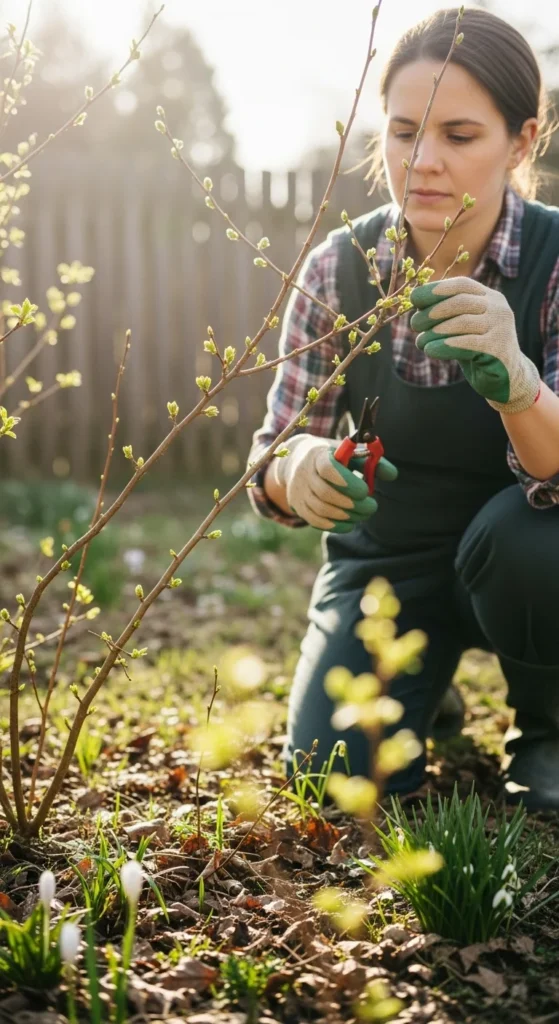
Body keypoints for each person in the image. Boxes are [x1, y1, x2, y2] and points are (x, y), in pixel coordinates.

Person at [246, 7, 559, 811]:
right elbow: (272, 455)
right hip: (387, 568)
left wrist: (518, 382)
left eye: (459, 135)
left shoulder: (553, 263)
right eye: (402, 131)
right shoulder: (338, 269)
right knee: (334, 778)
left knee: (530, 543)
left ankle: (549, 727)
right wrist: (299, 468)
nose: (421, 162)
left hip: (528, 562)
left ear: (522, 140)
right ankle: (421, 676)